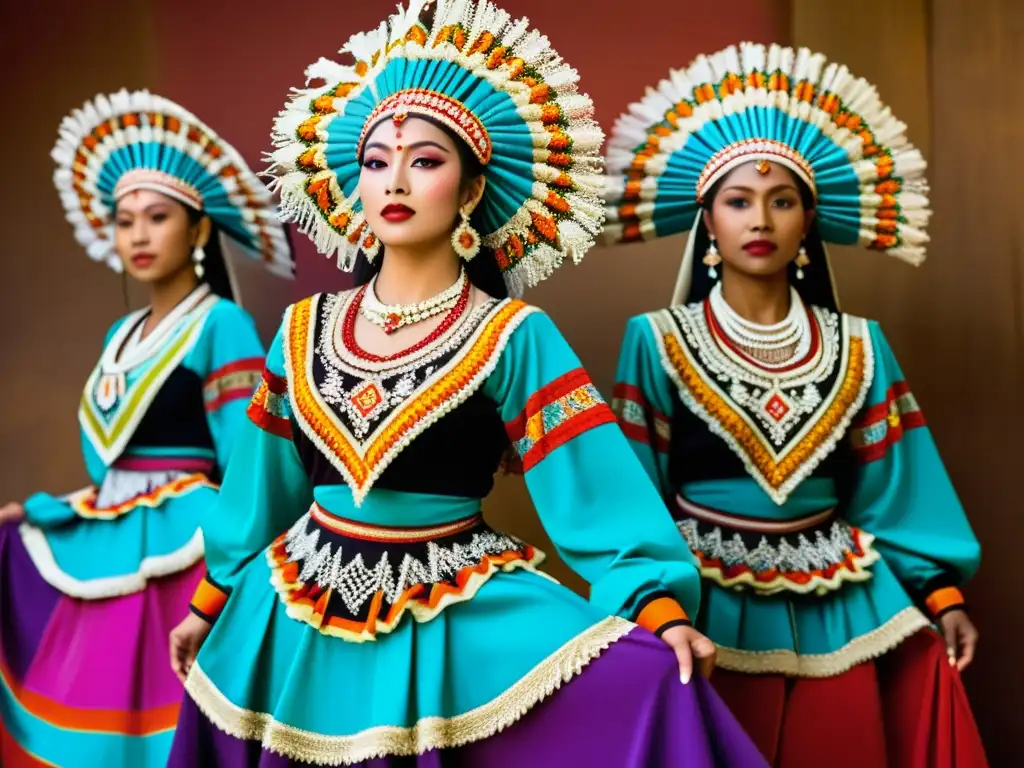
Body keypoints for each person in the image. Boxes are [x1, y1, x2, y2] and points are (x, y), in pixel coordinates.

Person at [165, 3, 767, 766]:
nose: (395, 179)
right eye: (377, 161)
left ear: (473, 190)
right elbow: (260, 493)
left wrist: (660, 609)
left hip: (452, 611)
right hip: (288, 614)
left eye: (424, 160)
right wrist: (208, 604)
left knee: (652, 683)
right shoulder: (300, 329)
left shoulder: (513, 336)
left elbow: (595, 494)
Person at [604, 43, 988, 766]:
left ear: (808, 221)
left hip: (842, 595)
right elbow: (631, 493)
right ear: (707, 221)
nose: (761, 220)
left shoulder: (861, 346)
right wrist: (653, 605)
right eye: (739, 201)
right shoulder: (654, 341)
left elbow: (896, 488)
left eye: (782, 201)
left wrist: (942, 599)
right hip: (705, 596)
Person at [0, 89, 292, 767]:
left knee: (167, 731)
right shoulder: (121, 332)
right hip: (114, 534)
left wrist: (239, 563)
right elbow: (112, 469)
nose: (137, 234)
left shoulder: (222, 324)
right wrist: (41, 515)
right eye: (125, 219)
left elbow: (249, 462)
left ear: (197, 231)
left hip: (184, 548)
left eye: (156, 217)